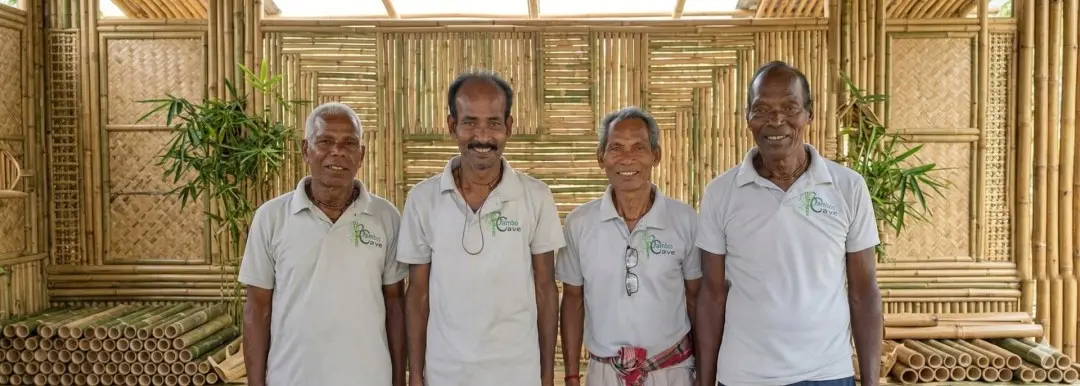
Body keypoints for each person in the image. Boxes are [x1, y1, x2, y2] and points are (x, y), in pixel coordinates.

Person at [694, 61, 883, 386]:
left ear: (808, 113)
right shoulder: (720, 194)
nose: (776, 120)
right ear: (747, 117)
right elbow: (711, 296)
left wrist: (870, 381)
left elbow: (864, 294)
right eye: (762, 109)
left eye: (789, 108)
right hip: (743, 376)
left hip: (827, 375)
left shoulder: (848, 188)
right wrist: (706, 381)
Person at [396, 69, 565, 386]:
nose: (482, 136)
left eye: (494, 123)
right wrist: (416, 375)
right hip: (446, 373)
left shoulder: (536, 197)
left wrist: (545, 375)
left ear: (509, 127)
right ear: (452, 126)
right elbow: (417, 295)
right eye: (470, 122)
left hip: (517, 373)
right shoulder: (422, 199)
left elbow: (545, 290)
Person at [238, 102, 408, 386]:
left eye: (349, 143)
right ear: (306, 150)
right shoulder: (271, 217)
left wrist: (398, 380)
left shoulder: (385, 217)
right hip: (291, 377)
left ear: (361, 155)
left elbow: (395, 303)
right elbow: (257, 308)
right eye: (325, 141)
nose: (337, 152)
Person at [556, 106, 702, 386]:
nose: (627, 159)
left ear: (655, 156)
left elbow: (697, 299)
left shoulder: (684, 221)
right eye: (616, 148)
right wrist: (572, 376)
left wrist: (704, 373)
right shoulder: (580, 223)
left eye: (638, 148)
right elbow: (573, 300)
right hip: (604, 375)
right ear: (601, 157)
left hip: (672, 372)